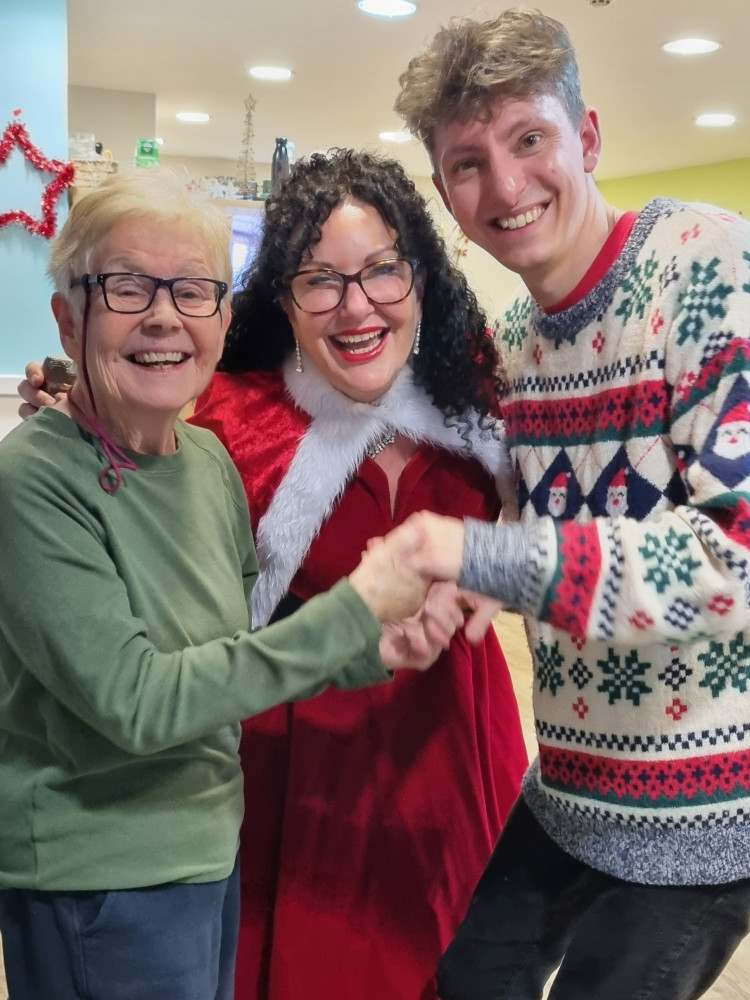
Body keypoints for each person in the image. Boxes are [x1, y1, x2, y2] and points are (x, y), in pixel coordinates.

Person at [18, 148, 529, 1000]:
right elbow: (142, 667)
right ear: (283, 302)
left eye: (381, 272)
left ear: (423, 279)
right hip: (294, 771)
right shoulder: (234, 424)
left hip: (455, 745)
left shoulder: (480, 399)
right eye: (321, 279)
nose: (357, 304)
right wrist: (69, 411)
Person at [395, 6, 750, 999]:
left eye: (529, 140)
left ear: (586, 139)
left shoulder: (712, 267)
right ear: (445, 193)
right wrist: (471, 584)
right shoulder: (518, 342)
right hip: (570, 786)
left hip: (710, 810)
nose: (505, 186)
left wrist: (474, 557)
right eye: (468, 163)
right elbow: (542, 533)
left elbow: (737, 553)